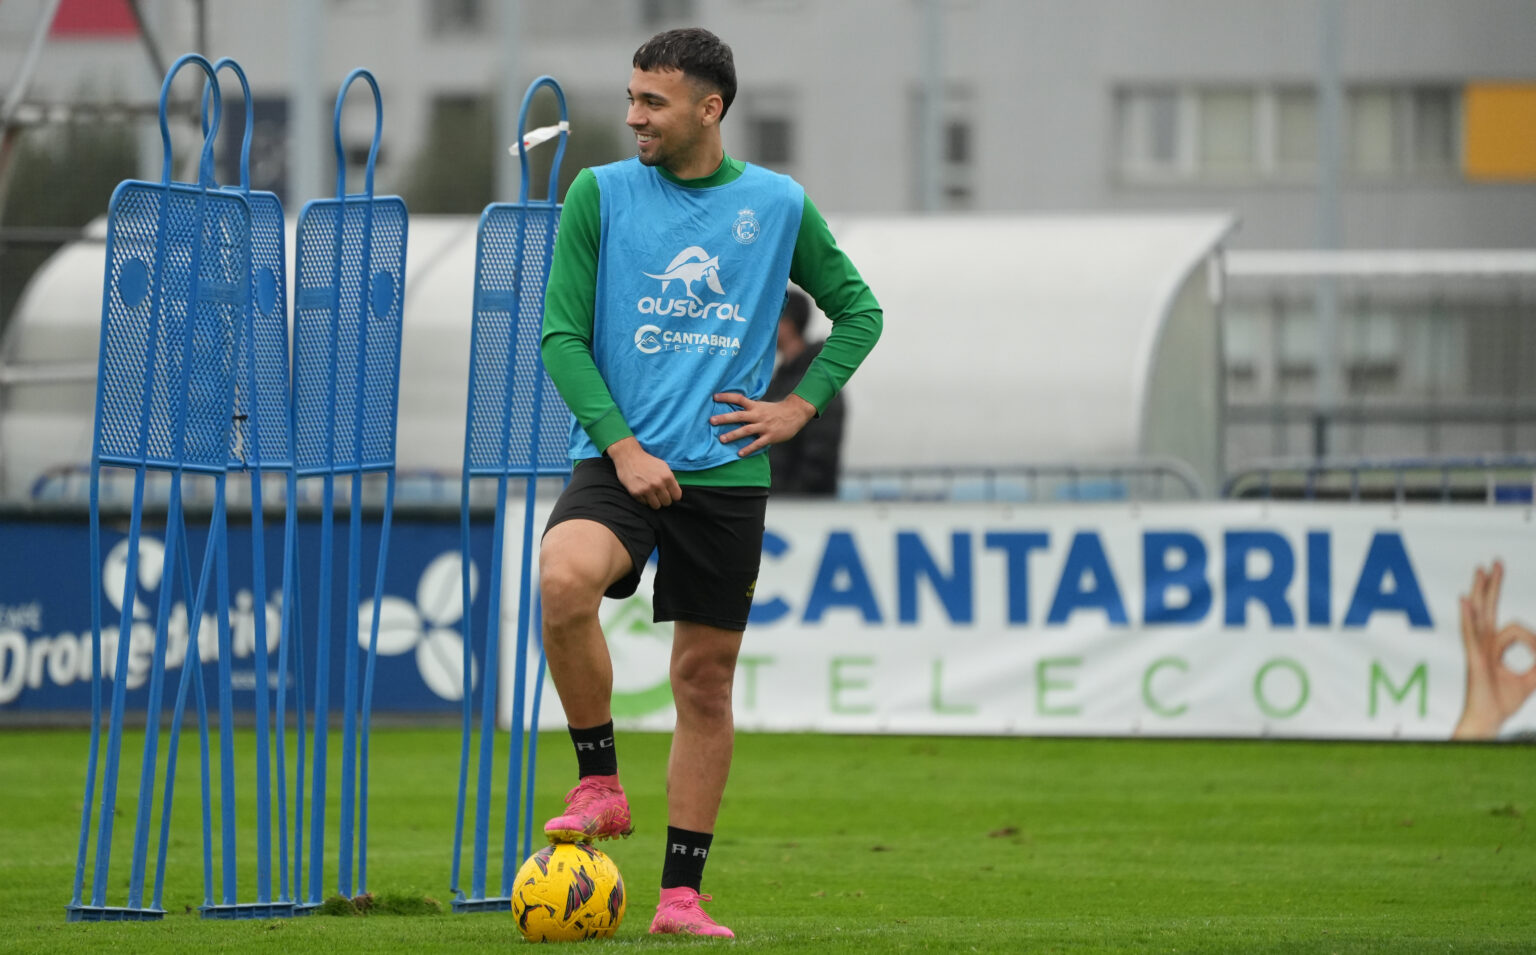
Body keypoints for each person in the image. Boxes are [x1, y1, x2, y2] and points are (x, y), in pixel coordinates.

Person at [535, 27, 882, 939]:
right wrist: (622, 447)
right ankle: (600, 781)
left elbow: (859, 312)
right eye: (633, 98)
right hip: (620, 459)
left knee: (702, 681)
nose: (635, 116)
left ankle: (680, 897)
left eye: (653, 101)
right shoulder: (597, 195)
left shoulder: (775, 204)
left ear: (709, 108)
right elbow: (559, 338)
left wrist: (797, 408)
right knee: (563, 579)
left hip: (727, 473)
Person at [764, 288, 846, 496]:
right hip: (780, 504)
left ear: (788, 324)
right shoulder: (779, 381)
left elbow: (820, 457)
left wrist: (787, 496)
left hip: (801, 508)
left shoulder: (818, 383)